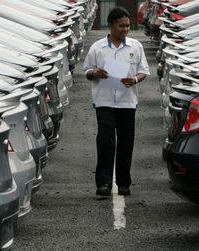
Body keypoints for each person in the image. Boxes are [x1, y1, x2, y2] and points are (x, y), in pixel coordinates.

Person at [83, 6, 150, 197]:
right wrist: (94, 73)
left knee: (126, 143)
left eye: (128, 26)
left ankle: (123, 183)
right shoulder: (97, 48)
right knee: (105, 142)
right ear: (111, 25)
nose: (125, 30)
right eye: (121, 26)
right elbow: (87, 70)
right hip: (104, 101)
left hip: (127, 101)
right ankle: (103, 183)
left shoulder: (135, 46)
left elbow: (144, 70)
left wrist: (135, 79)